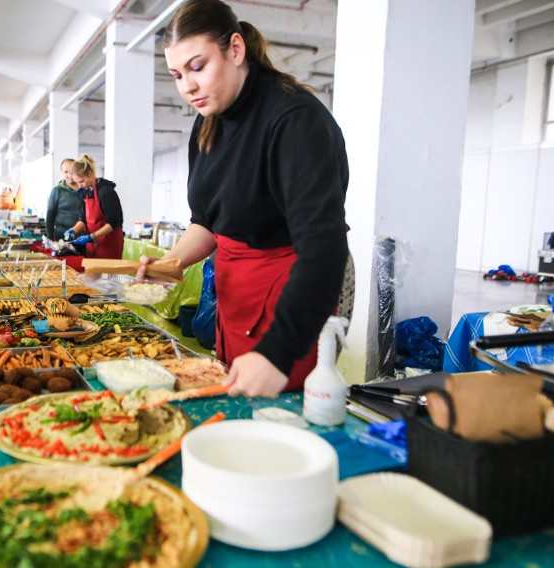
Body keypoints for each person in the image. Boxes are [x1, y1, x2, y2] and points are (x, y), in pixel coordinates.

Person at [139, 0, 349, 398]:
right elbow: (207, 220)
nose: (187, 87)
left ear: (235, 50)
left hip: (290, 305)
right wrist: (172, 263)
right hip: (234, 300)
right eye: (177, 74)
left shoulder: (293, 121)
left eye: (198, 67)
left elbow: (324, 250)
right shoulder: (207, 124)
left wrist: (277, 352)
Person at [64, 155, 125, 259]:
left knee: (108, 275)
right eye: (77, 182)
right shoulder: (86, 192)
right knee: (93, 274)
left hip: (109, 243)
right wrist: (73, 230)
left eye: (82, 181)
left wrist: (91, 236)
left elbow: (113, 223)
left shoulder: (105, 192)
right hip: (94, 243)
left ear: (91, 173)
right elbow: (83, 219)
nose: (80, 186)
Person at [46, 158, 82, 241]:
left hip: (84, 238)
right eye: (66, 172)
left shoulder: (85, 189)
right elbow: (50, 216)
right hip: (63, 239)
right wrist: (50, 238)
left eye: (72, 171)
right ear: (62, 172)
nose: (69, 175)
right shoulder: (57, 191)